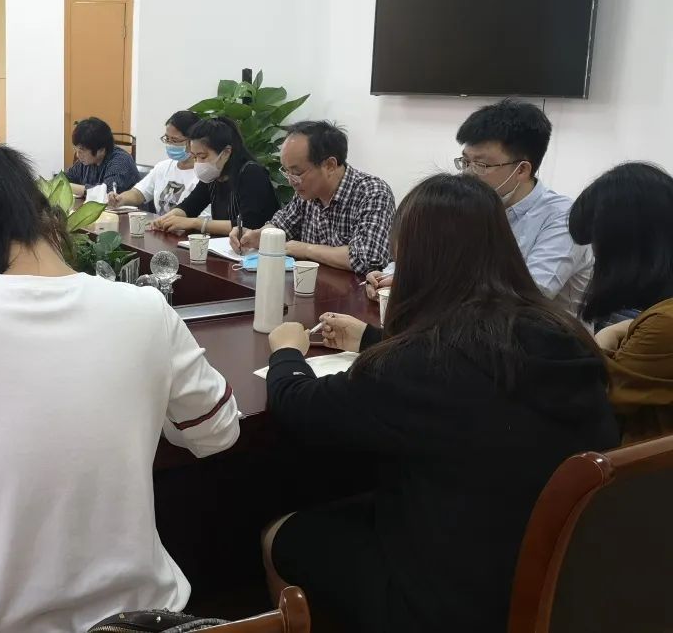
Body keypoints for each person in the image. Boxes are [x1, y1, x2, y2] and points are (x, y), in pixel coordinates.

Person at [0, 145, 240, 633]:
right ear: (51, 219)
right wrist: (146, 407)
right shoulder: (146, 309)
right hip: (143, 615)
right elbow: (218, 431)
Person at [259, 173, 617, 633]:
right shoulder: (562, 334)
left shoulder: (424, 363)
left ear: (414, 258)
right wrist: (372, 338)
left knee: (279, 534)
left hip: (452, 594)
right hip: (563, 572)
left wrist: (287, 352)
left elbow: (303, 408)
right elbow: (478, 371)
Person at [365, 99, 592, 314]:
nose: (468, 173)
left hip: (541, 335)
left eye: (481, 165)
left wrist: (417, 286)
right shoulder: (468, 204)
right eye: (466, 161)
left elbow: (527, 297)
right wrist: (391, 276)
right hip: (464, 325)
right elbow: (429, 253)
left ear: (522, 170)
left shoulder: (564, 218)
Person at [569, 162, 673, 443]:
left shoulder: (664, 324)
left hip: (640, 465)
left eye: (597, 244)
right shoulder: (659, 315)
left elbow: (593, 401)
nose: (595, 257)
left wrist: (603, 340)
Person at [231, 121, 394, 275]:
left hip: (355, 292)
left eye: (296, 172)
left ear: (329, 165)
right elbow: (281, 224)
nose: (291, 181)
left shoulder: (373, 193)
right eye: (286, 171)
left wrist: (306, 250)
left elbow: (367, 257)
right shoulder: (306, 192)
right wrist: (258, 235)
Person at [151, 116, 278, 237]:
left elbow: (248, 224)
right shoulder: (213, 174)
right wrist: (167, 218)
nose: (198, 163)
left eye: (202, 156)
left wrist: (196, 223)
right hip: (224, 245)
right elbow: (189, 206)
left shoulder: (252, 173)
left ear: (226, 152)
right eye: (194, 157)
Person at [108, 110, 208, 215]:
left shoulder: (203, 174)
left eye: (174, 140)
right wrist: (121, 198)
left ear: (192, 141)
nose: (169, 144)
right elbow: (139, 193)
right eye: (167, 139)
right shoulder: (163, 167)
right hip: (160, 224)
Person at [65, 116, 141, 197]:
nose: (78, 155)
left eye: (82, 150)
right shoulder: (85, 162)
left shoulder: (121, 161)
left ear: (101, 150)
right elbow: (66, 178)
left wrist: (71, 187)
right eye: (76, 149)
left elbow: (107, 193)